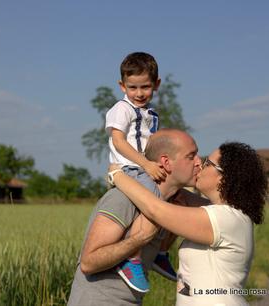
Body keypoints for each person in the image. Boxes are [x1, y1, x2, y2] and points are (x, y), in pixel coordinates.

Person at [110, 142, 268, 306]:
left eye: (207, 163)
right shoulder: (231, 215)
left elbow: (156, 210)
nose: (200, 164)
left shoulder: (224, 218)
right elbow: (177, 194)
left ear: (223, 176)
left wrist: (117, 174)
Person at [67, 129, 207, 306]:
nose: (198, 162)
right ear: (166, 162)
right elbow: (88, 263)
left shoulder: (168, 203)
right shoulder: (123, 198)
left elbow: (215, 208)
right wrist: (140, 238)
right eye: (191, 156)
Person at [105, 52, 175, 292]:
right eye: (132, 87)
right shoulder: (122, 109)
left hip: (145, 166)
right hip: (129, 168)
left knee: (176, 194)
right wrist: (146, 164)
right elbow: (118, 141)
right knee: (152, 201)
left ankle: (159, 250)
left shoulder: (150, 113)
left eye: (145, 86)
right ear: (122, 86)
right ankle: (131, 257)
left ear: (156, 84)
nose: (139, 93)